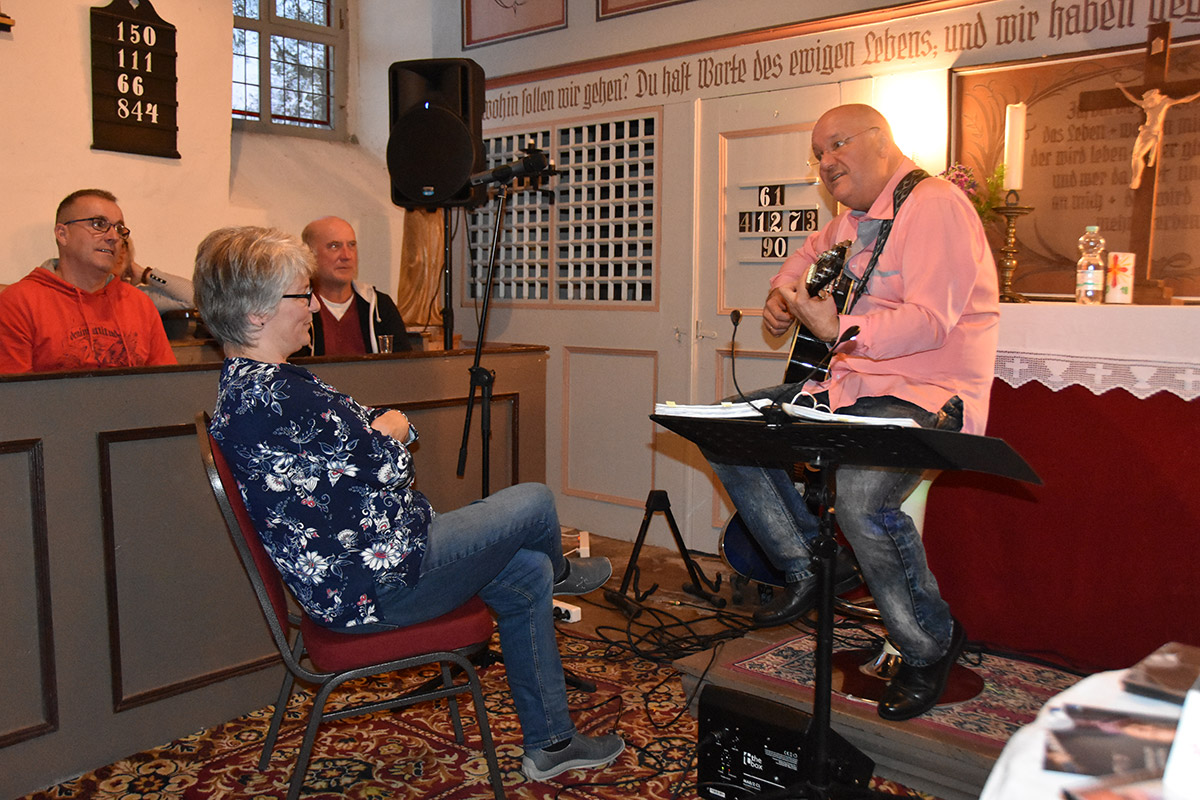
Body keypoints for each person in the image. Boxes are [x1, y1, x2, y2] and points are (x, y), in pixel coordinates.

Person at [195, 226, 625, 781]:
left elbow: (362, 449)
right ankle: (565, 573)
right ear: (257, 313)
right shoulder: (281, 395)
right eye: (302, 295)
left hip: (364, 571)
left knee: (526, 574)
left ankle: (552, 744)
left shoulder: (248, 387)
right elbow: (391, 468)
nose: (312, 307)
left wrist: (380, 437)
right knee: (536, 501)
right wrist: (389, 433)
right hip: (381, 583)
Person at [705, 104, 999, 721]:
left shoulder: (935, 205)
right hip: (850, 389)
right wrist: (781, 298)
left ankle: (929, 645)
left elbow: (931, 321)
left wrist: (837, 328)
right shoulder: (850, 222)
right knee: (731, 427)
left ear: (881, 140)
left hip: (927, 393)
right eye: (818, 154)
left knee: (864, 498)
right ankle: (813, 565)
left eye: (836, 145)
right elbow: (801, 261)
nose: (826, 162)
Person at [0, 188, 176, 373]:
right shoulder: (19, 302)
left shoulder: (139, 304)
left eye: (119, 229)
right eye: (99, 225)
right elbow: (14, 389)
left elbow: (167, 383)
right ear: (62, 234)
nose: (113, 237)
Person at [295, 215, 411, 356]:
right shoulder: (297, 306)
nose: (346, 256)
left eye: (351, 245)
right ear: (309, 254)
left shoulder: (379, 307)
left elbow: (403, 364)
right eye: (334, 246)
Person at [1116, 85, 1200, 189]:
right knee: (1136, 156)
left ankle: (1137, 178)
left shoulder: (1164, 102)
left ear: (1155, 97)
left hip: (1153, 133)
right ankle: (1136, 177)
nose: (1149, 102)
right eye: (1147, 100)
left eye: (1151, 99)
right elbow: (1132, 99)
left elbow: (1185, 99)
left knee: (1140, 155)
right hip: (1144, 131)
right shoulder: (1146, 104)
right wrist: (1121, 88)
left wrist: (1198, 94)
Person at [113, 235, 195, 314]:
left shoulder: (137, 297)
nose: (115, 253)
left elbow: (192, 296)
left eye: (121, 246)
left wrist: (145, 274)